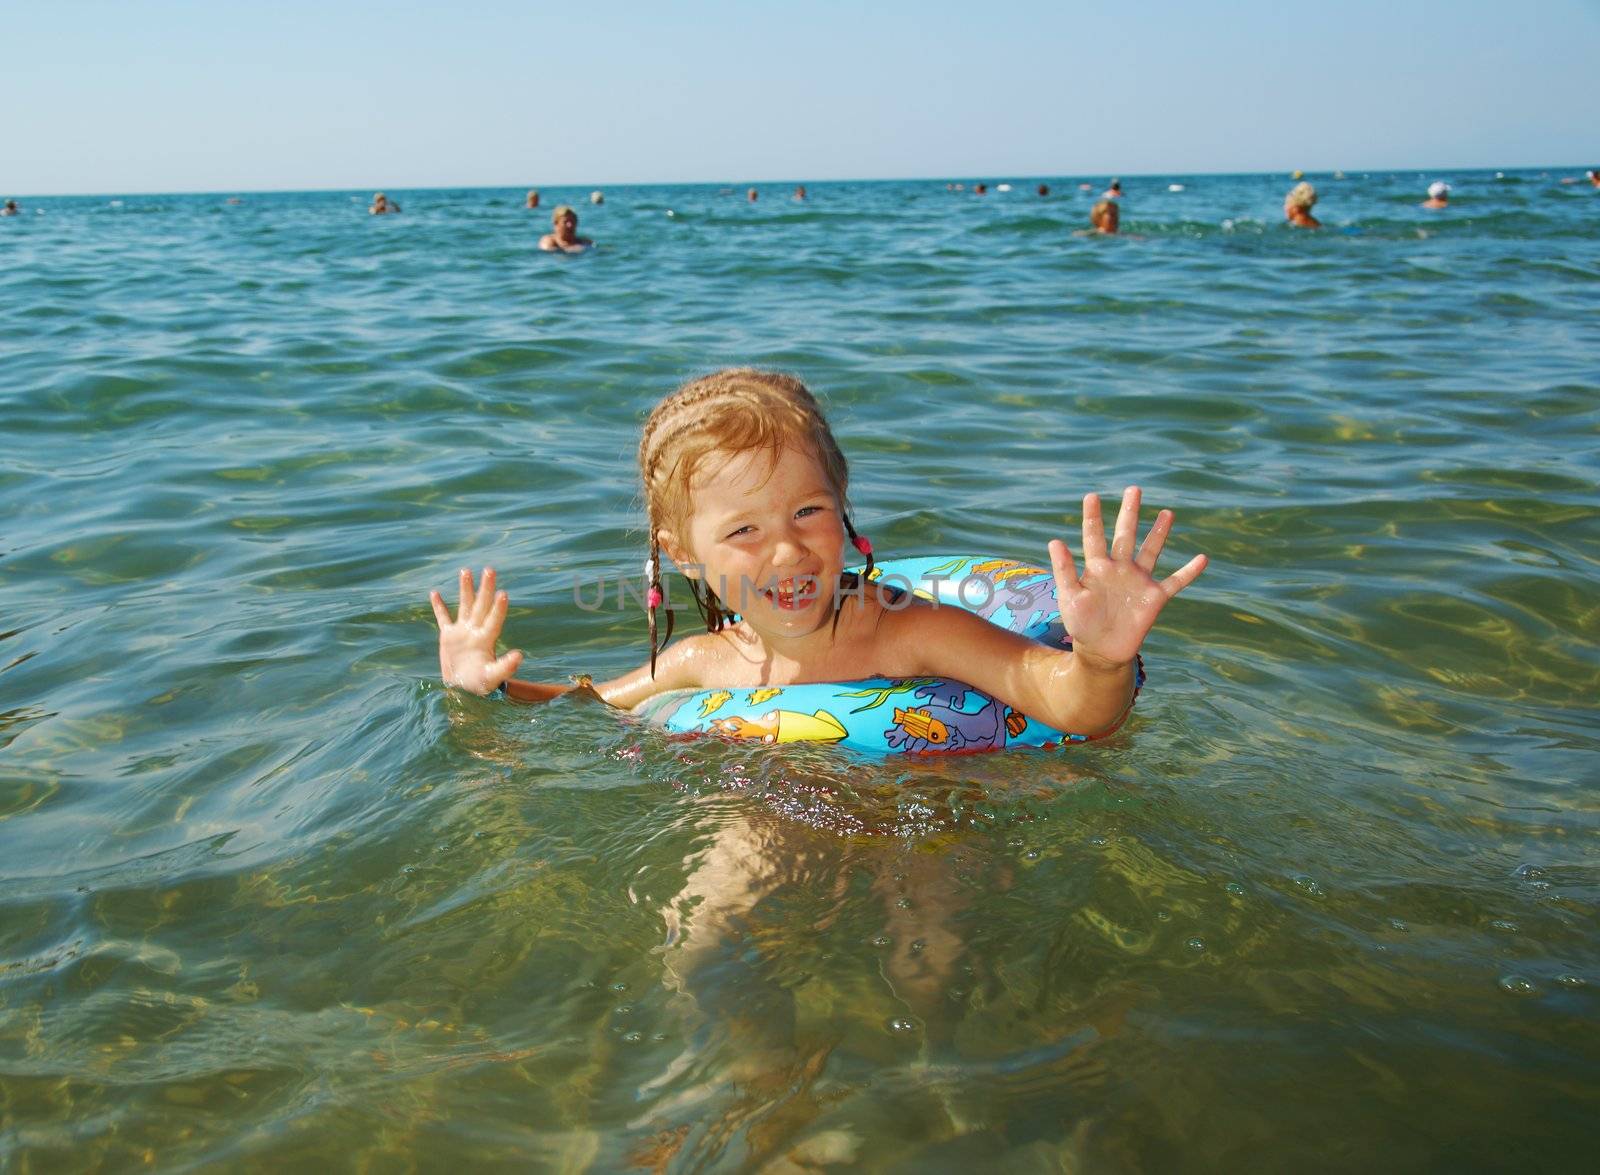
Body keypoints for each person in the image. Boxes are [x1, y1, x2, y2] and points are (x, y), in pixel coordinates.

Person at [429, 369, 1206, 742]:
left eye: (809, 512)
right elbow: (592, 702)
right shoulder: (702, 660)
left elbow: (1069, 705)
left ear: (844, 510)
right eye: (744, 532)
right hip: (775, 807)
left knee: (926, 937)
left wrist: (1100, 660)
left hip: (928, 813)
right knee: (715, 904)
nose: (790, 549)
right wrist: (487, 687)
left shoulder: (908, 631)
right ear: (683, 556)